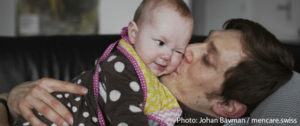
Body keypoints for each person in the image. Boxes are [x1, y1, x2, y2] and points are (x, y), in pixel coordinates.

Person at [1, 18, 294, 126]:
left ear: (227, 107)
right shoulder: (135, 73)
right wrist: (10, 100)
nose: (189, 49)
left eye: (208, 59)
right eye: (204, 42)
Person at [13, 0, 194, 126]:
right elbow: (126, 115)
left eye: (178, 51)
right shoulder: (120, 66)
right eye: (160, 43)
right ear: (133, 33)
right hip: (50, 119)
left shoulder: (154, 79)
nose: (167, 55)